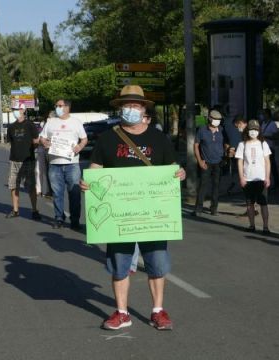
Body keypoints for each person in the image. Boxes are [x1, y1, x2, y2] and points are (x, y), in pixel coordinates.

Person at [80, 85, 186, 331]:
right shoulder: (107, 139)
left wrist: (180, 174)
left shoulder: (158, 138)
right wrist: (87, 183)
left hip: (153, 216)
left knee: (157, 264)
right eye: (126, 105)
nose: (130, 109)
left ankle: (158, 310)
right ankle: (122, 312)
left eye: (135, 105)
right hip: (118, 218)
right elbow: (95, 171)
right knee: (119, 266)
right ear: (120, 109)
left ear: (143, 108)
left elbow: (172, 168)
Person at [39, 99, 87, 229]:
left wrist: (80, 146)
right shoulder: (50, 122)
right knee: (57, 193)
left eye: (59, 106)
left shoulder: (76, 122)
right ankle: (59, 218)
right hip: (54, 163)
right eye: (56, 106)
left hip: (72, 164)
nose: (57, 108)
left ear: (67, 107)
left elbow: (84, 139)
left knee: (74, 194)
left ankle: (75, 221)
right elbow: (42, 137)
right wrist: (44, 143)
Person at [5, 104, 41, 220]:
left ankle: (34, 210)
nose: (15, 111)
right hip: (14, 160)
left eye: (17, 109)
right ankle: (15, 210)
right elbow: (10, 143)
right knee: (13, 185)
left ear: (23, 110)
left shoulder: (30, 125)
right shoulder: (11, 127)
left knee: (30, 187)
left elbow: (36, 140)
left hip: (28, 160)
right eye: (14, 110)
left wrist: (32, 150)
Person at [236, 120, 272, 234]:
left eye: (256, 130)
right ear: (247, 131)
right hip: (248, 179)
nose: (253, 132)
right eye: (251, 129)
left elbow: (267, 162)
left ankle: (266, 227)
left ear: (259, 131)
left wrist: (267, 177)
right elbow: (240, 162)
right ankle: (252, 225)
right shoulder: (242, 144)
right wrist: (241, 177)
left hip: (261, 179)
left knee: (264, 203)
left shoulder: (263, 144)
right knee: (250, 203)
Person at [192, 109, 227, 216]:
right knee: (203, 185)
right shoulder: (202, 130)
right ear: (210, 119)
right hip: (206, 162)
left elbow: (226, 144)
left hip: (218, 162)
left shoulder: (222, 130)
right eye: (215, 119)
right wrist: (199, 161)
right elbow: (196, 146)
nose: (217, 121)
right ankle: (198, 209)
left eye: (219, 120)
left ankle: (214, 209)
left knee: (216, 186)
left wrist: (226, 155)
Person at [260, 109, 279, 190]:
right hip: (263, 148)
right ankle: (266, 183)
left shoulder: (272, 124)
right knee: (264, 167)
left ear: (268, 115)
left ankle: (276, 184)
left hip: (270, 148)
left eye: (264, 114)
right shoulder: (263, 124)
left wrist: (265, 137)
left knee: (272, 166)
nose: (262, 116)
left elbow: (276, 137)